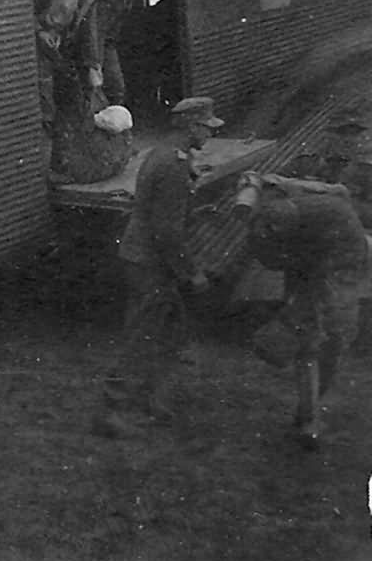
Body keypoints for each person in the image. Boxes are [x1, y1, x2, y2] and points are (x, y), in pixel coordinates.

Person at [105, 97, 222, 425]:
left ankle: (151, 399)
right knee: (143, 334)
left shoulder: (168, 155)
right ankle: (114, 409)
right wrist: (192, 272)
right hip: (149, 262)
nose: (209, 134)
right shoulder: (172, 164)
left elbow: (164, 212)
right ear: (189, 126)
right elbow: (166, 232)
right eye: (205, 127)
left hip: (144, 256)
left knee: (168, 332)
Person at [234, 171, 369, 448]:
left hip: (342, 267)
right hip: (316, 267)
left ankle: (309, 413)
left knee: (329, 340)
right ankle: (309, 417)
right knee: (313, 342)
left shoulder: (326, 219)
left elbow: (283, 259)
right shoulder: (297, 196)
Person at [32, 0, 108, 174]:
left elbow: (88, 28)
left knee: (72, 102)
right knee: (45, 107)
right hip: (39, 51)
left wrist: (93, 64)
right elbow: (23, 9)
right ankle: (44, 169)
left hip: (63, 52)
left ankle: (62, 160)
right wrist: (39, 31)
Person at [96, 0, 150, 106]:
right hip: (98, 44)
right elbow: (97, 31)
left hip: (109, 42)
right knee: (109, 86)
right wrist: (96, 63)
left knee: (115, 87)